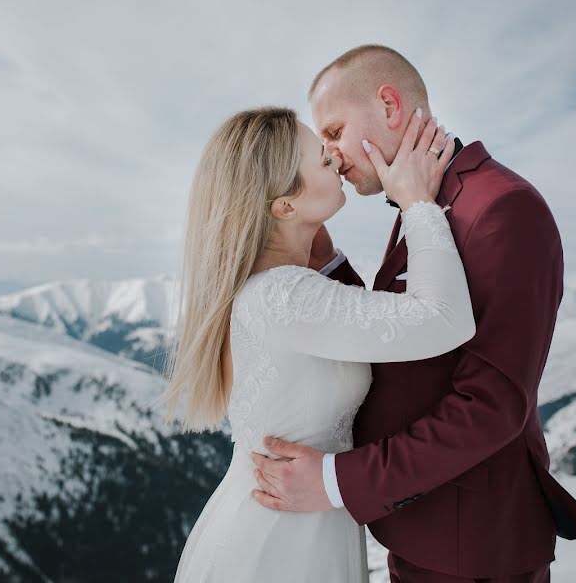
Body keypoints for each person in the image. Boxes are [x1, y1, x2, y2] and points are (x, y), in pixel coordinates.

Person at [250, 45, 576, 583]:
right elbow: (407, 340)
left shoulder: (499, 209)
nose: (330, 154)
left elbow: (492, 404)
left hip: (473, 548)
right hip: (423, 527)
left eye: (333, 131)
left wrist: (336, 480)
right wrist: (329, 266)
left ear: (389, 104)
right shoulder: (426, 197)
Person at [160, 105, 474, 582]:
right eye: (321, 159)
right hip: (281, 545)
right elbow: (442, 319)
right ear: (284, 206)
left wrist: (325, 256)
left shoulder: (274, 288)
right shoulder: (285, 295)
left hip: (291, 523)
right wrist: (417, 203)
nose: (335, 155)